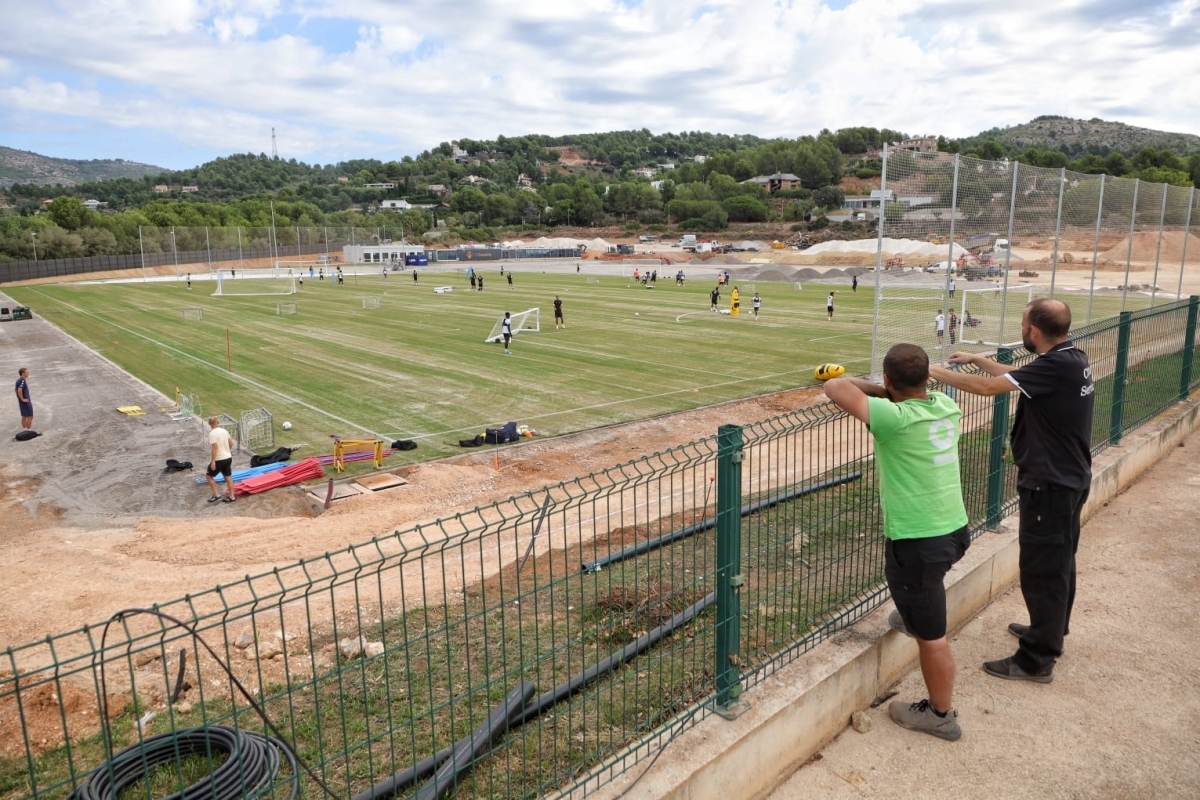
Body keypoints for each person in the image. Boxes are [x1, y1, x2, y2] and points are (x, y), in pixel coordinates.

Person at [930, 299, 1094, 684]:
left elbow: (988, 390)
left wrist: (935, 372)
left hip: (1050, 486)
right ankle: (1051, 631)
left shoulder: (1056, 365)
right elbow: (1018, 376)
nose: (1022, 329)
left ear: (1033, 331)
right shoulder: (1071, 358)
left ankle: (1037, 658)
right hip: (1070, 479)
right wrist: (977, 358)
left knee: (1042, 571)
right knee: (1060, 563)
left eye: (1023, 323)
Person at [824, 344, 969, 741]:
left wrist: (877, 388)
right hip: (955, 529)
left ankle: (941, 714)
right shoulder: (944, 404)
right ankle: (913, 613)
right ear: (927, 379)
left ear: (888, 380)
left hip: (919, 540)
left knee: (933, 638)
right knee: (922, 592)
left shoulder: (893, 418)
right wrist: (889, 389)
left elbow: (836, 387)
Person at [204, 416, 236, 504]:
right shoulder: (224, 431)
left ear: (209, 424)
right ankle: (232, 496)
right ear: (217, 422)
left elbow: (215, 448)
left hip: (219, 459)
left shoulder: (212, 434)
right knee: (228, 477)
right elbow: (231, 443)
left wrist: (213, 461)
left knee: (209, 476)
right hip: (228, 457)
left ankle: (217, 495)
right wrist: (227, 451)